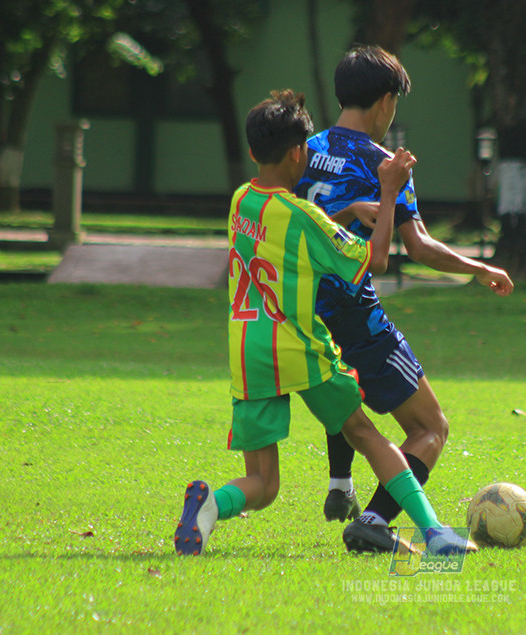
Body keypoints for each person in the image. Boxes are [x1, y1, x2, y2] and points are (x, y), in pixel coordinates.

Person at [174, 89, 474, 557]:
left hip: (248, 350)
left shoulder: (240, 202)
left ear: (254, 152)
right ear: (299, 153)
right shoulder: (306, 218)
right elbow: (374, 260)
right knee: (364, 431)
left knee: (264, 483)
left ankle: (211, 505)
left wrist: (348, 212)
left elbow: (292, 229)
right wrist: (388, 190)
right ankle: (434, 532)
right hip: (297, 347)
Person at [294, 46, 514, 553]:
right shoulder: (383, 163)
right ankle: (374, 521)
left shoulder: (302, 150)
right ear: (387, 101)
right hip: (356, 316)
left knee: (349, 405)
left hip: (301, 315)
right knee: (430, 426)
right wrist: (479, 268)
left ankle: (340, 485)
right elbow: (417, 247)